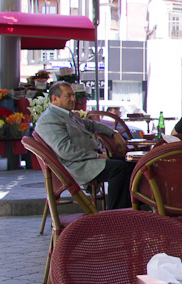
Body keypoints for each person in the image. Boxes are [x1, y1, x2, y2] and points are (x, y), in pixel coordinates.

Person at [35, 82, 135, 210]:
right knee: (118, 168)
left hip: (86, 160)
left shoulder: (67, 115)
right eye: (68, 96)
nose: (73, 99)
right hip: (74, 166)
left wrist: (114, 134)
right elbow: (66, 151)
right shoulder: (49, 119)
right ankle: (115, 215)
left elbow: (92, 125)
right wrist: (97, 156)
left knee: (131, 164)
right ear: (55, 99)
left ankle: (129, 209)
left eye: (73, 95)